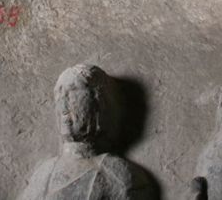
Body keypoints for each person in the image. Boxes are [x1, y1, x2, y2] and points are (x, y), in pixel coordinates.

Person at [19, 65, 155, 200]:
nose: (63, 101)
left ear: (99, 102)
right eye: (59, 93)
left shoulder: (118, 176)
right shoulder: (43, 175)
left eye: (72, 91)